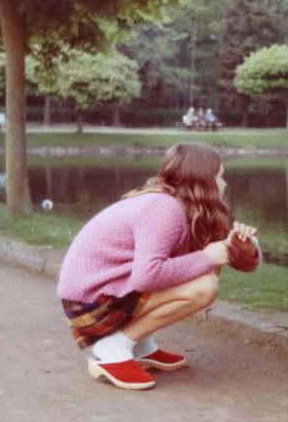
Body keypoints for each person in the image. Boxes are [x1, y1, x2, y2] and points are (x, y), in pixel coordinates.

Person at [57, 143, 261, 391]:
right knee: (204, 286)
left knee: (202, 276)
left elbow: (218, 261)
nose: (225, 183)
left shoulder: (188, 209)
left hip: (109, 292)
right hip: (89, 302)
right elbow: (147, 276)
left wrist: (244, 249)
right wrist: (206, 258)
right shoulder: (162, 208)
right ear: (202, 180)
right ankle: (113, 348)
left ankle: (139, 346)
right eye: (220, 176)